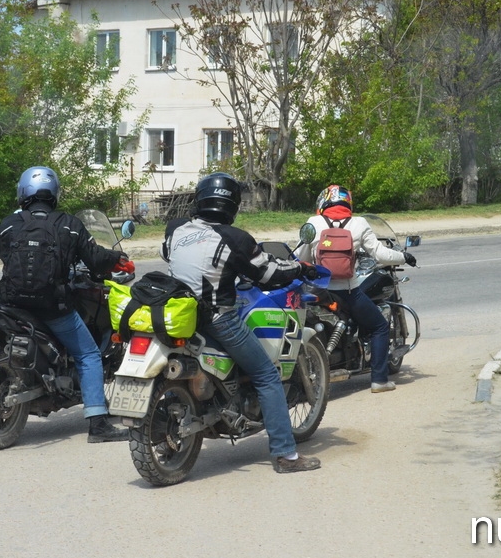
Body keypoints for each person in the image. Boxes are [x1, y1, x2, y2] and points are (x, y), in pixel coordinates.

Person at [161, 172, 322, 474]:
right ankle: (287, 456)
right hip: (216, 318)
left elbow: (166, 253)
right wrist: (301, 268)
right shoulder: (235, 238)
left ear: (200, 199)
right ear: (232, 204)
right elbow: (268, 274)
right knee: (265, 375)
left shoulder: (176, 228)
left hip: (179, 314)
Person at [0, 166, 135, 443]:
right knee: (88, 354)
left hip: (11, 304)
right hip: (51, 308)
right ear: (54, 192)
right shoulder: (69, 224)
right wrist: (117, 259)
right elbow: (94, 257)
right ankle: (98, 425)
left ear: (23, 192)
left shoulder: (9, 223)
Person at [295, 184, 417, 393]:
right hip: (348, 292)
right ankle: (379, 380)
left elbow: (300, 257)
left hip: (318, 290)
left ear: (323, 202)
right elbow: (380, 254)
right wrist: (404, 256)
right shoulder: (358, 223)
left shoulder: (313, 223)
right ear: (347, 202)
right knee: (379, 326)